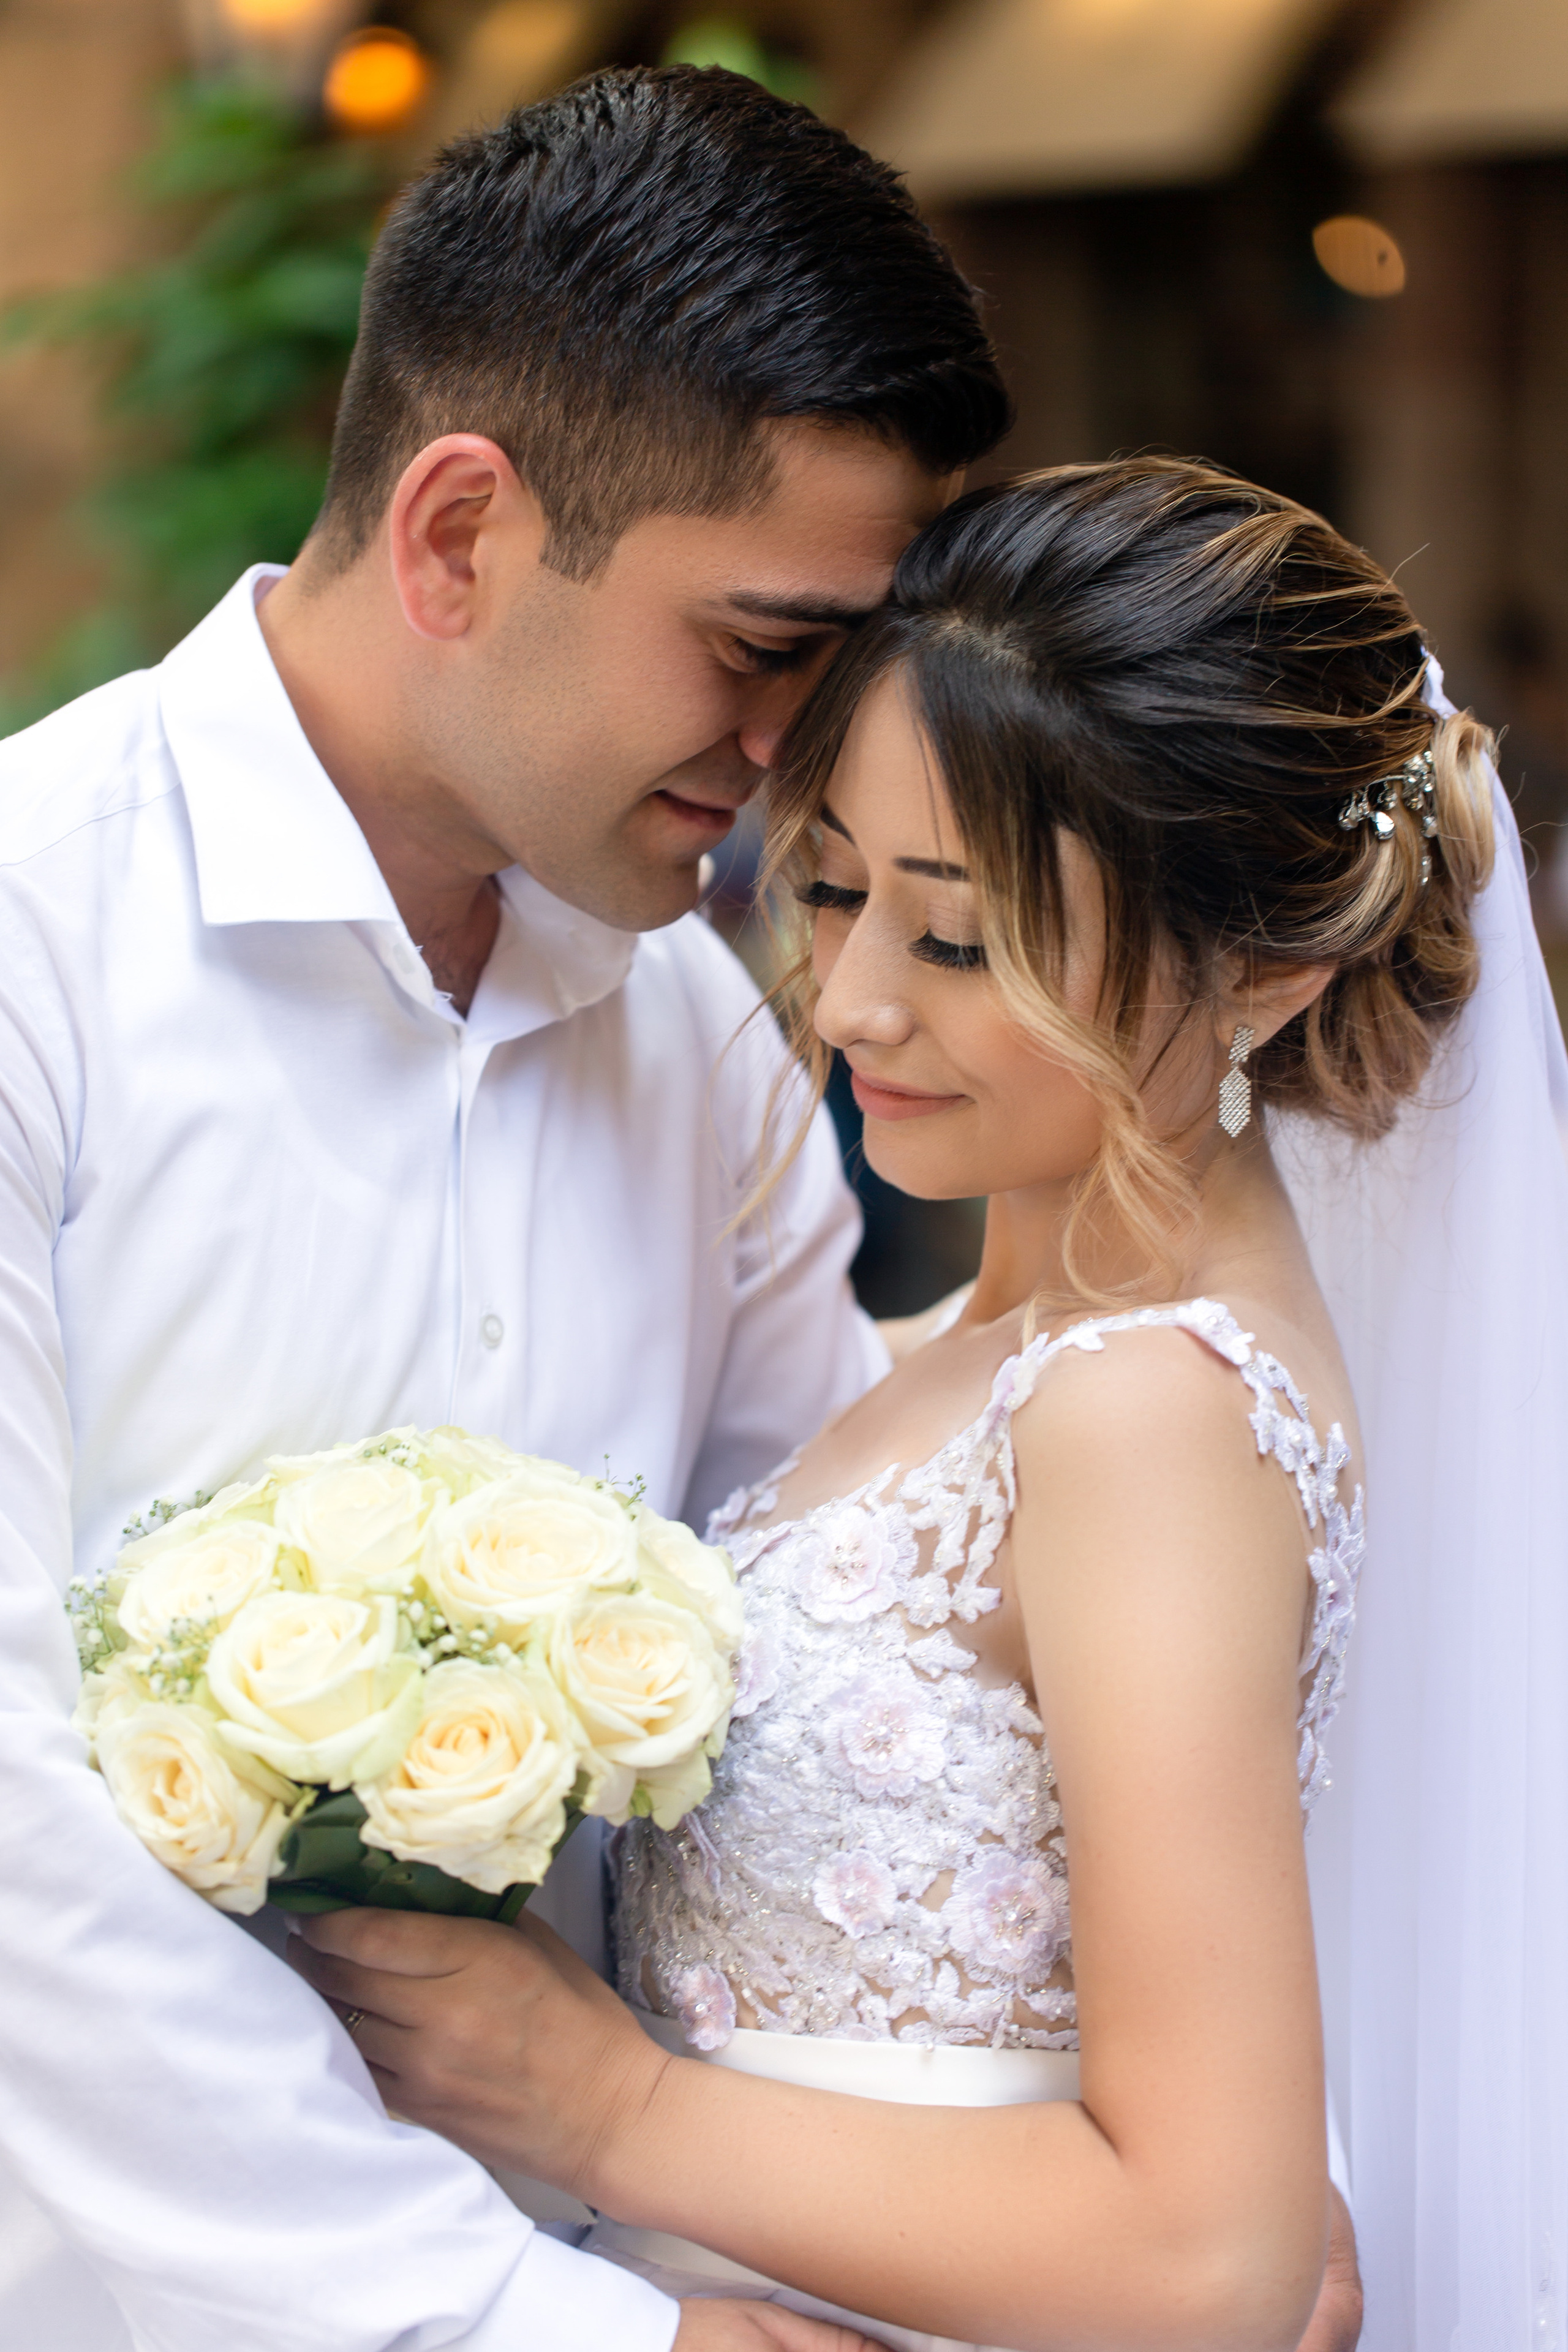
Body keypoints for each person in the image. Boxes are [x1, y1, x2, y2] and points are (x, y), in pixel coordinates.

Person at [284, 456, 1515, 2351]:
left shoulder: (1147, 1410)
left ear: (1264, 970)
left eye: (956, 938)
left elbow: (1212, 2262)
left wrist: (610, 2103)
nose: (852, 1001)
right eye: (834, 887)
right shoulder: (985, 1343)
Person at [0, 66, 1011, 2352]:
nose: (803, 754)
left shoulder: (699, 1039)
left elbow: (831, 1686)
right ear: (458, 534)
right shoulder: (28, 952)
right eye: (761, 649)